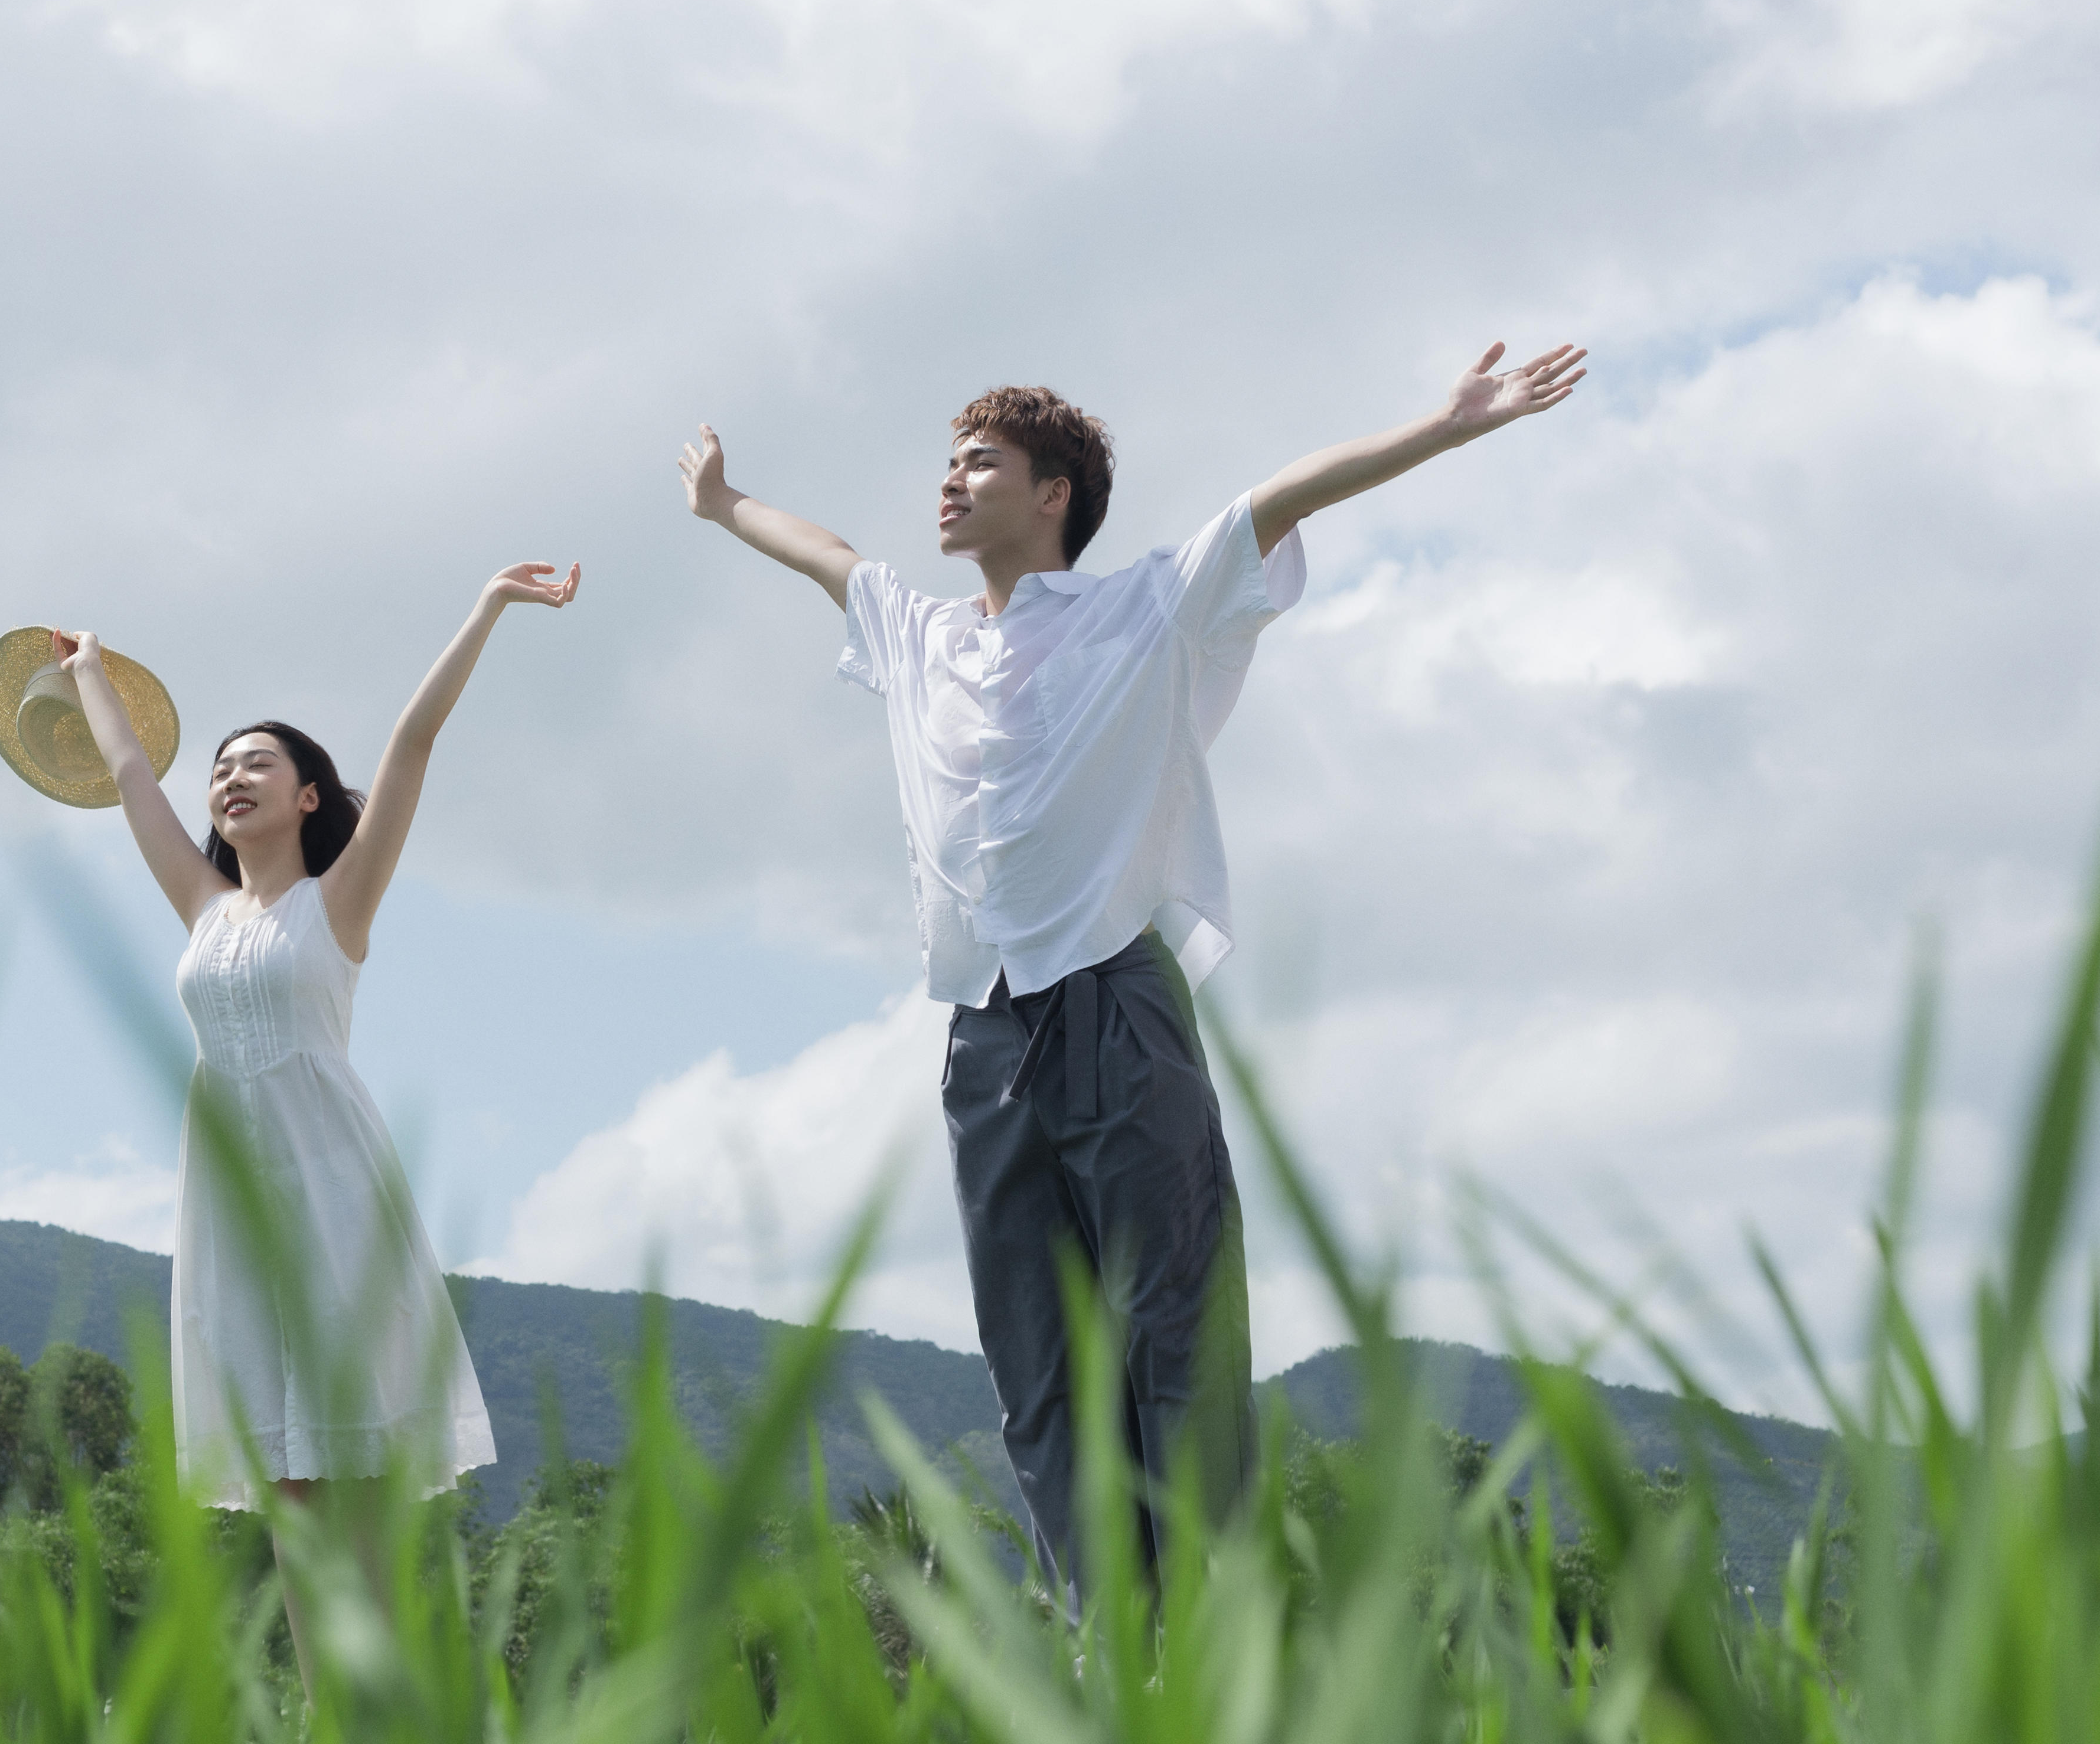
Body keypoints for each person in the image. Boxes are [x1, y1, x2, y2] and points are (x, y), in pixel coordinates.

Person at [676, 345, 1585, 1605]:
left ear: (1054, 494)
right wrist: (725, 506)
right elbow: (825, 552)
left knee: (1173, 1330)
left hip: (1115, 999)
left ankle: (1214, 1633)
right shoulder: (918, 632)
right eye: (947, 461)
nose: (948, 482)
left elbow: (1280, 500)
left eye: (979, 462)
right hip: (983, 1028)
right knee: (1035, 1362)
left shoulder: (1145, 606)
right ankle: (1106, 1637)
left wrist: (1440, 427)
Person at [52, 557, 580, 1681]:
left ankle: (389, 1706)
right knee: (287, 1484)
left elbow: (413, 745)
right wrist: (92, 669)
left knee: (350, 1477)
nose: (229, 777)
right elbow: (130, 769)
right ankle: (327, 1726)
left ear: (307, 798)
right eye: (223, 767)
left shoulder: (336, 904)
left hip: (333, 1197)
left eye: (260, 763)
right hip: (235, 1211)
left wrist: (484, 606)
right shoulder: (202, 910)